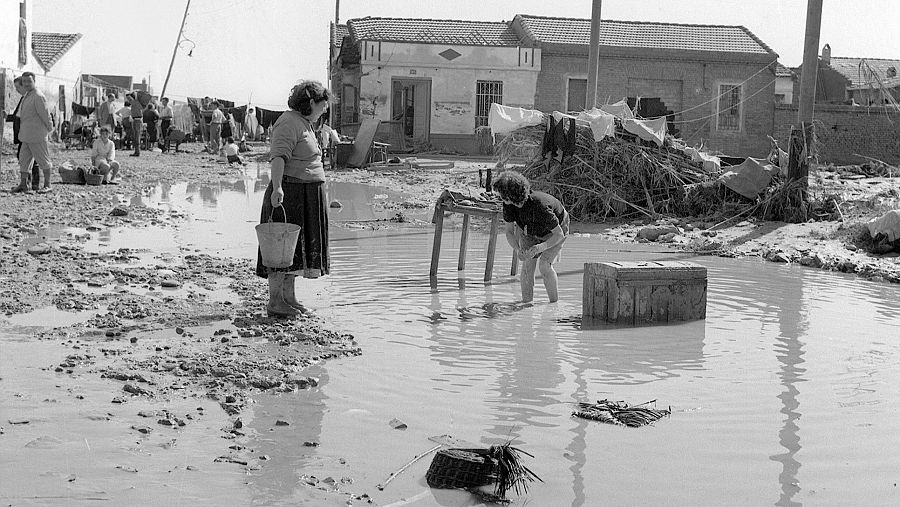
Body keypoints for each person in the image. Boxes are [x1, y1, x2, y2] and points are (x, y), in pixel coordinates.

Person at [255, 80, 331, 317]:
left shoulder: (305, 123)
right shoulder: (288, 123)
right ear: (310, 103)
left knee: (294, 252)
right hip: (290, 192)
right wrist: (278, 188)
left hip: (305, 194)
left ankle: (289, 298)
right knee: (281, 248)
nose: (325, 110)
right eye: (323, 105)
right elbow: (278, 158)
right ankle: (275, 301)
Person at [495, 170, 570, 303]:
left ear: (511, 196)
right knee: (527, 266)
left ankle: (554, 305)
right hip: (528, 229)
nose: (500, 198)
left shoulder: (540, 206)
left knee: (544, 266)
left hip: (556, 230)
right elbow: (509, 232)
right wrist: (518, 249)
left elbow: (558, 234)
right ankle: (526, 305)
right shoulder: (508, 205)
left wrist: (541, 247)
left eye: (502, 195)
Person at [15, 72, 54, 193]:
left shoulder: (38, 96)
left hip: (37, 135)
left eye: (29, 81)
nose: (26, 84)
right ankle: (23, 184)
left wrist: (49, 129)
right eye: (24, 81)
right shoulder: (28, 95)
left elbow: (46, 115)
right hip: (26, 135)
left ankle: (47, 184)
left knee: (43, 160)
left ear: (34, 81)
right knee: (24, 161)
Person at [6, 76, 42, 192]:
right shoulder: (24, 99)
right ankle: (27, 183)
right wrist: (7, 117)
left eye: (18, 87)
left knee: (32, 159)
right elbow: (18, 116)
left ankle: (32, 184)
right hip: (24, 134)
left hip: (30, 133)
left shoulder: (32, 98)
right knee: (24, 158)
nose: (16, 90)